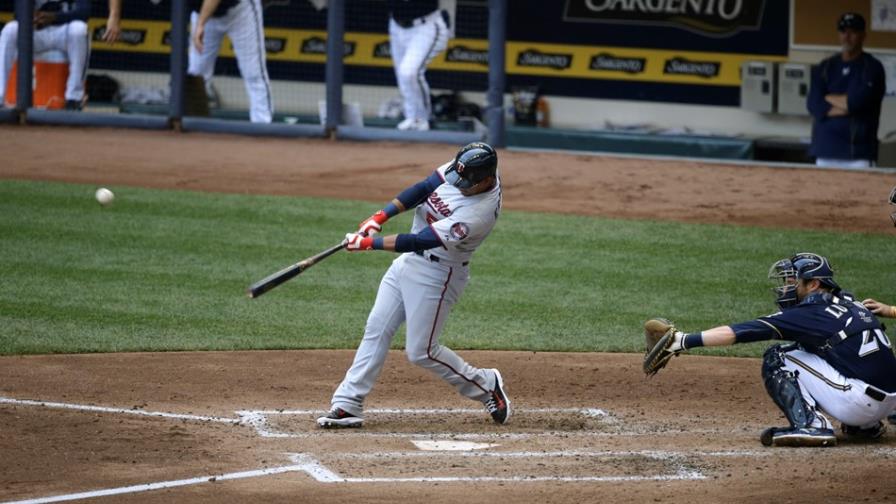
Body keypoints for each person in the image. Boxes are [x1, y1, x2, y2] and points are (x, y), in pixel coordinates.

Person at [317, 142, 510, 428]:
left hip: (439, 275)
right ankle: (349, 403)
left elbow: (422, 239)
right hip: (408, 263)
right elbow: (423, 188)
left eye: (466, 183)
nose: (459, 186)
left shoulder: (479, 213)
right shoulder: (465, 168)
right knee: (377, 327)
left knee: (422, 352)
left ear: (486, 180)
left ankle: (486, 385)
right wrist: (379, 217)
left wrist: (368, 243)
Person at [647, 253, 896, 447]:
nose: (786, 286)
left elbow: (743, 331)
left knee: (779, 357)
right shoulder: (851, 304)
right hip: (887, 403)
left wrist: (683, 341)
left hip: (857, 404)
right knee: (809, 348)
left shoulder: (810, 313)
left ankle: (811, 425)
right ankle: (866, 427)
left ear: (813, 284)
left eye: (792, 280)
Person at [807, 12, 887, 168]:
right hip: (825, 149)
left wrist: (828, 98)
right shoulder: (825, 67)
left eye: (853, 31)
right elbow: (814, 104)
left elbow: (858, 102)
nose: (847, 36)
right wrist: (846, 104)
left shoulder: (872, 67)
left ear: (863, 35)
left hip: (858, 153)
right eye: (843, 31)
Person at [189, 0, 272, 123]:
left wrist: (200, 24)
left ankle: (262, 126)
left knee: (254, 74)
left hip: (240, 12)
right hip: (203, 14)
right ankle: (193, 124)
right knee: (196, 74)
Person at [0, 0, 91, 110]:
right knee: (10, 29)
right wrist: (31, 18)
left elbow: (84, 12)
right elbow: (18, 13)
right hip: (35, 32)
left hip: (63, 30)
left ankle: (74, 98)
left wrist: (55, 17)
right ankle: (0, 95)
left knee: (79, 29)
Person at [387, 0, 451, 131]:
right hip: (396, 25)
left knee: (409, 72)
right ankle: (411, 117)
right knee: (402, 76)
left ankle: (423, 119)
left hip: (425, 26)